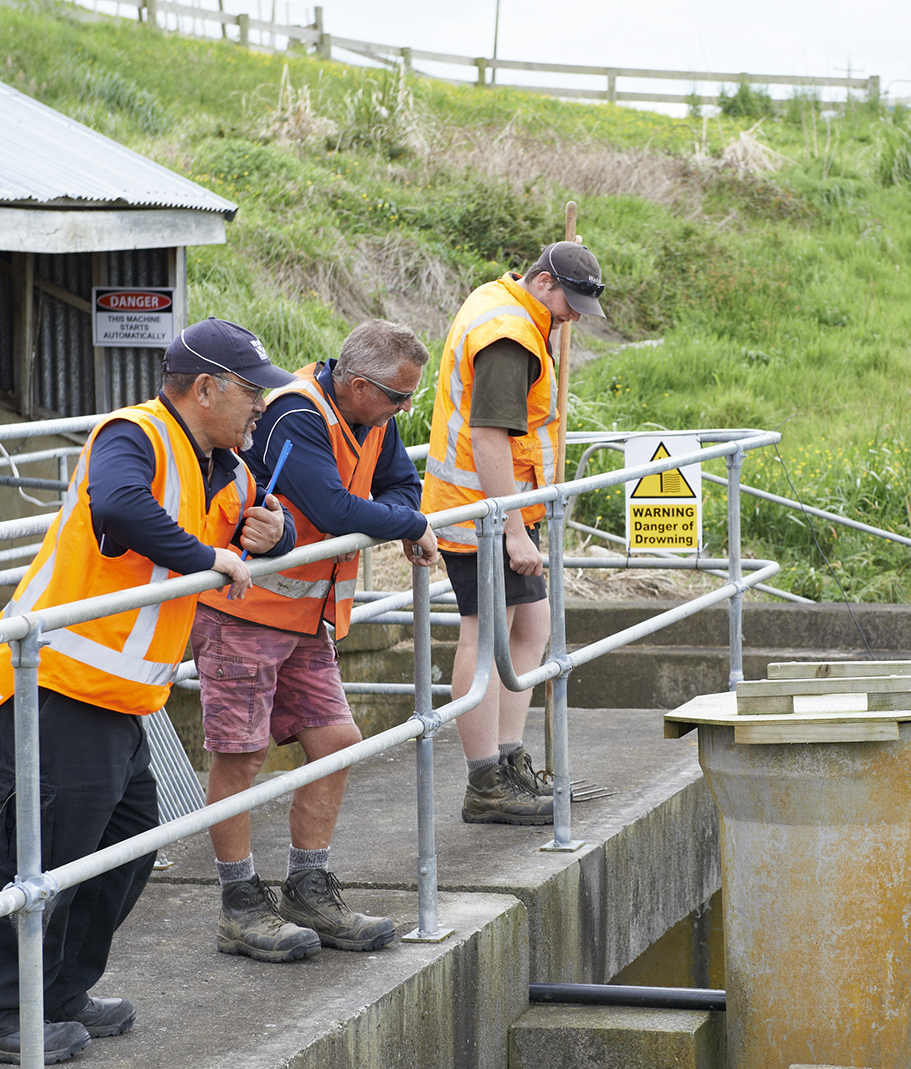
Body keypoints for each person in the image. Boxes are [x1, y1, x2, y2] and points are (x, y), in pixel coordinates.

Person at [0, 318, 296, 1065]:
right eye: (252, 394)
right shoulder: (131, 435)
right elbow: (119, 509)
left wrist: (276, 532)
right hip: (51, 685)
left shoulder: (222, 462)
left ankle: (58, 992)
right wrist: (211, 555)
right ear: (206, 389)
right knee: (25, 858)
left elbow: (267, 517)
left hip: (118, 698)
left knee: (125, 849)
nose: (260, 408)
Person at [194, 320, 440, 962]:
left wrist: (401, 510)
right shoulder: (295, 415)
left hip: (305, 617)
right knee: (240, 756)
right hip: (243, 609)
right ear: (359, 385)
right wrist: (409, 523)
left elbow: (401, 484)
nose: (405, 411)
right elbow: (335, 509)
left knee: (336, 744)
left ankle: (307, 887)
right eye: (398, 399)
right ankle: (239, 906)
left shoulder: (374, 418)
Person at [421, 241, 605, 825]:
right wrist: (511, 530)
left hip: (498, 508)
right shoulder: (509, 336)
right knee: (484, 634)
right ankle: (486, 782)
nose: (574, 315)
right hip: (483, 513)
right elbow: (489, 436)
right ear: (544, 281)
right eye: (570, 302)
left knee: (531, 625)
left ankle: (508, 760)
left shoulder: (509, 306)